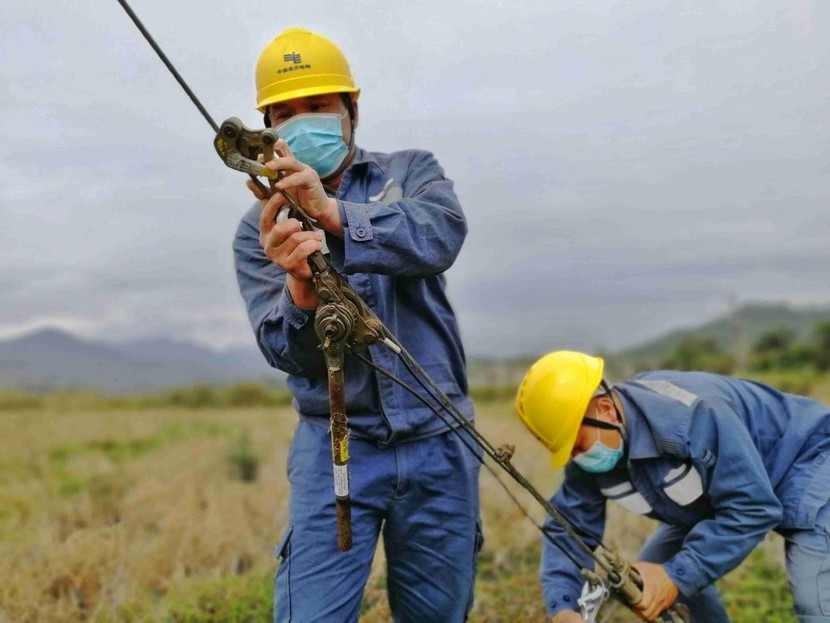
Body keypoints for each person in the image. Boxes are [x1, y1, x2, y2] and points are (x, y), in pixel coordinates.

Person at [232, 27, 481, 623]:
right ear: (266, 128)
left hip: (439, 439)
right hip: (334, 446)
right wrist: (297, 288)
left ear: (351, 110)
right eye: (284, 114)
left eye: (318, 106)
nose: (302, 123)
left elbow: (440, 234)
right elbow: (283, 349)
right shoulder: (258, 230)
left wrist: (331, 212)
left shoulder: (412, 172)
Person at [514, 350, 830, 623]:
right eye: (567, 450)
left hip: (808, 458)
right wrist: (564, 607)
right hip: (725, 493)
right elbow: (568, 529)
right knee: (651, 576)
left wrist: (675, 576)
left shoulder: (692, 416)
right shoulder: (593, 453)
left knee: (814, 594)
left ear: (607, 410)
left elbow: (753, 508)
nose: (578, 458)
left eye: (578, 444)